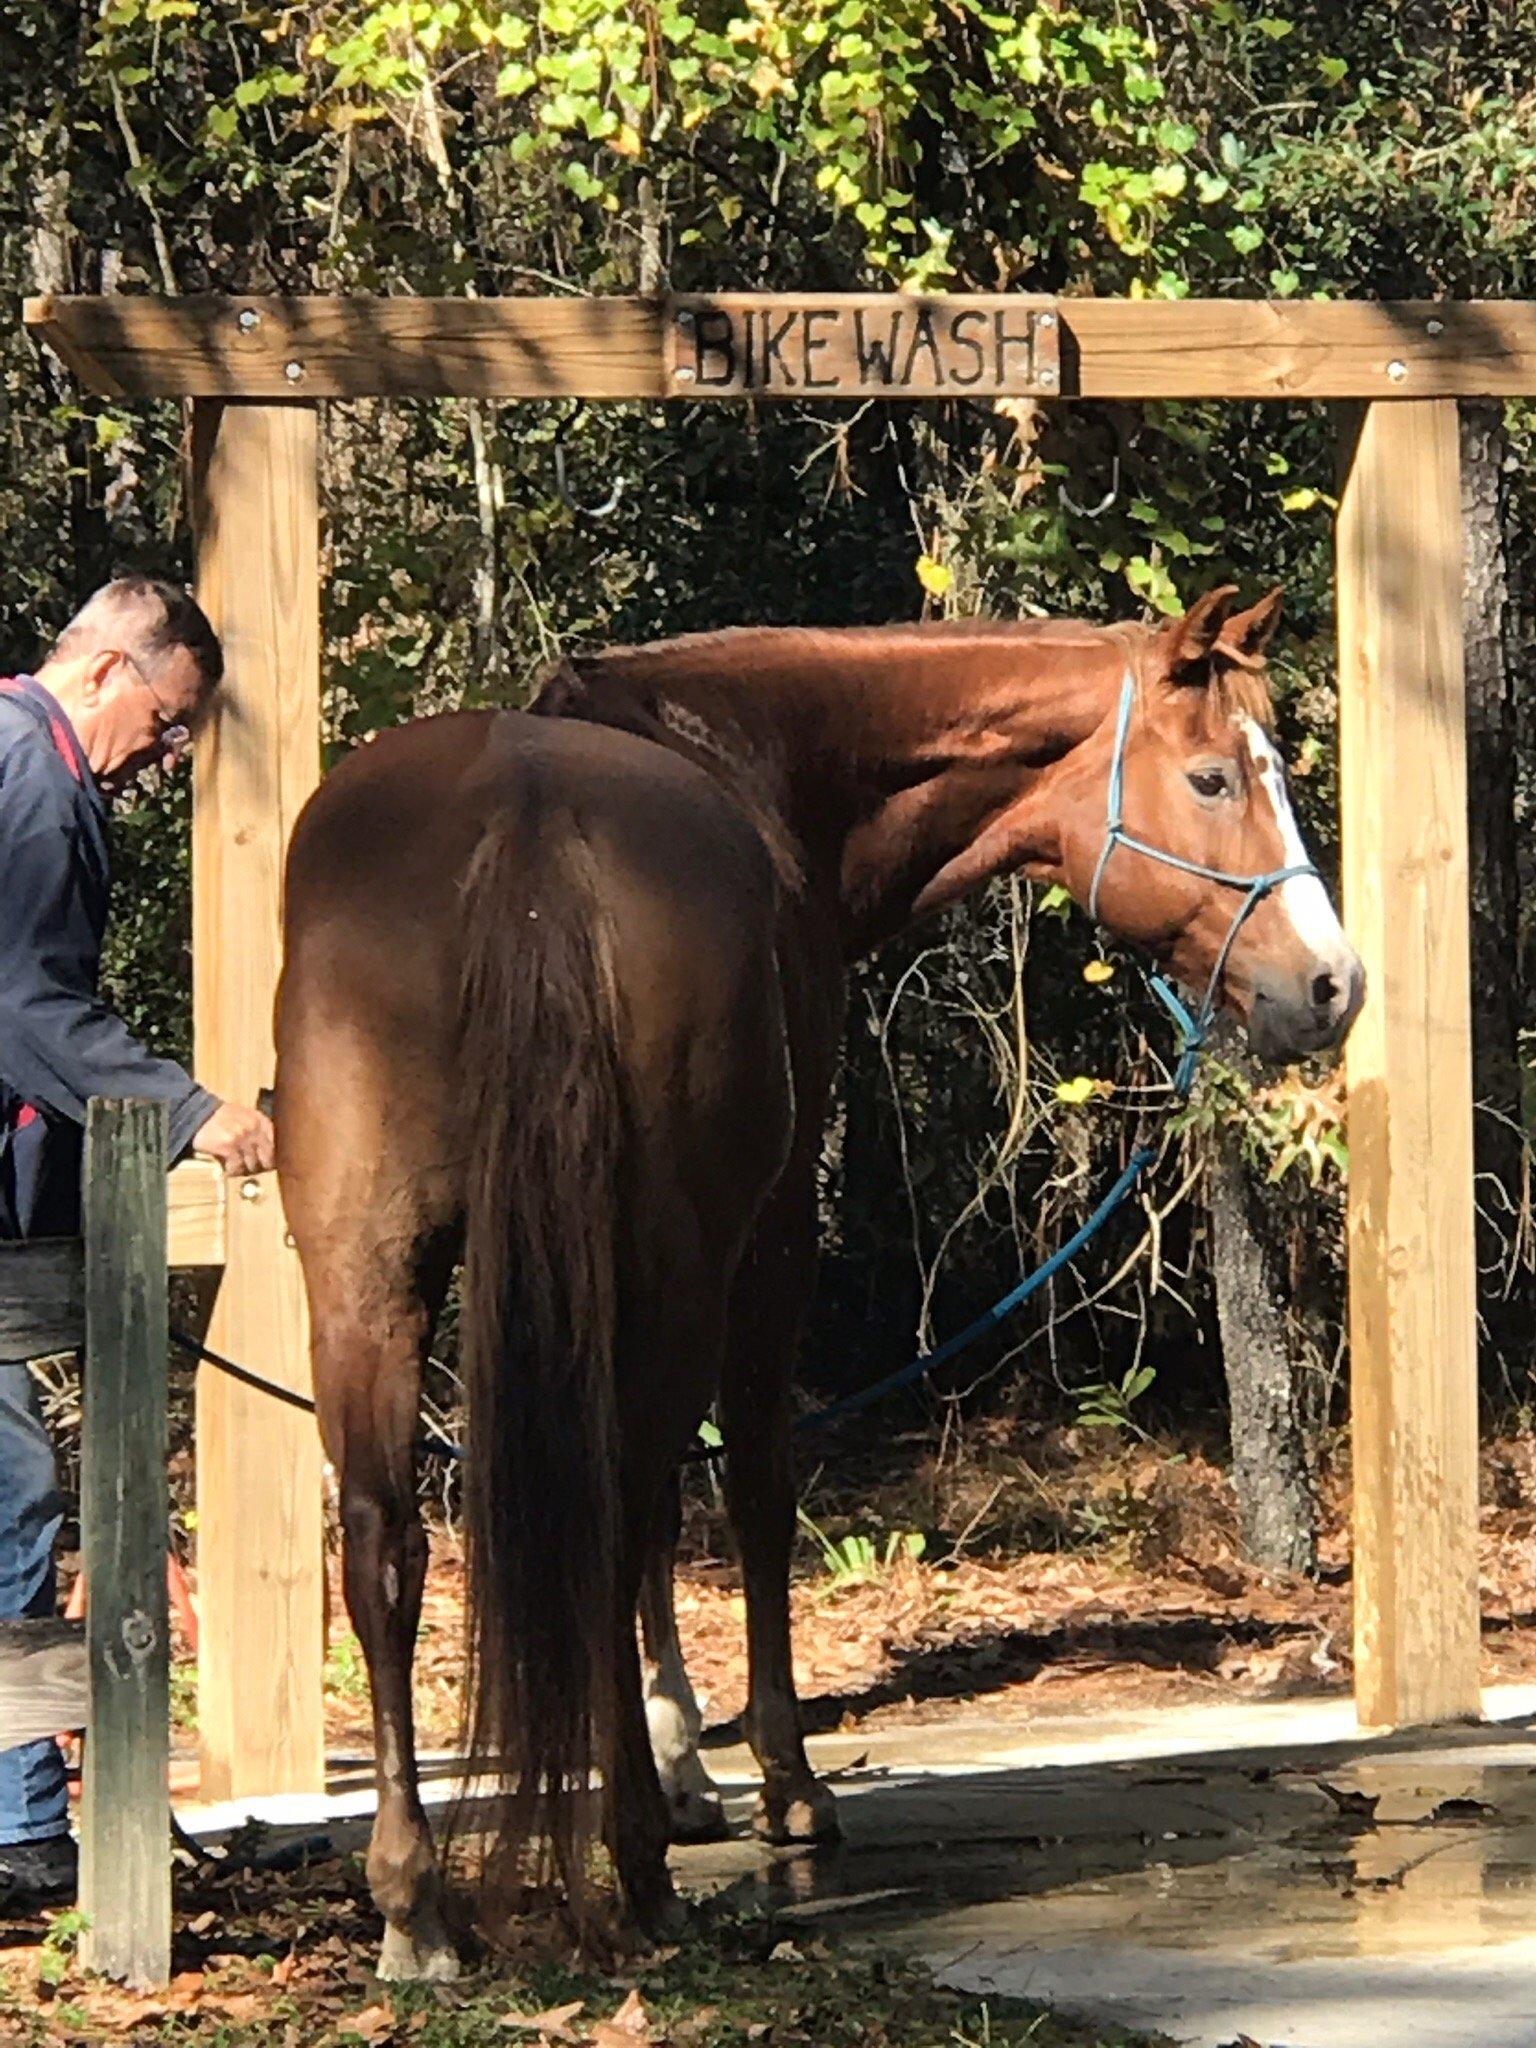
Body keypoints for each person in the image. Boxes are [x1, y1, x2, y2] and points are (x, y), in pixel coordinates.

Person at [0, 576, 274, 1906]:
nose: (166, 760)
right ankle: (24, 1833)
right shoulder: (41, 791)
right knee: (9, 1499)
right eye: (166, 725)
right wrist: (192, 1111)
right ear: (108, 671)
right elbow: (26, 1009)